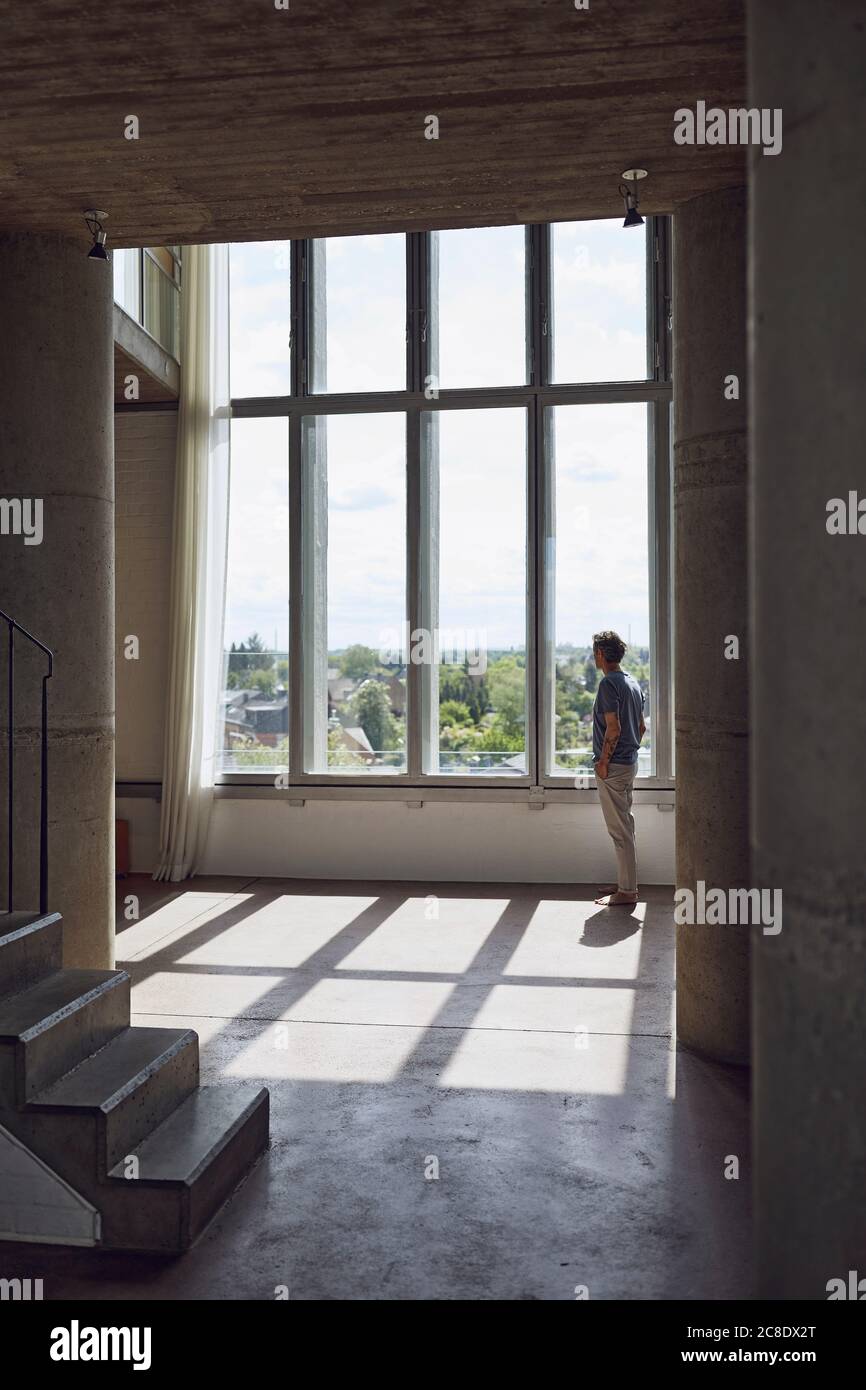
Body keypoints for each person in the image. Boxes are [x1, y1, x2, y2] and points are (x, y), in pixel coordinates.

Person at [590, 630, 645, 907]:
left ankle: (627, 891)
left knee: (619, 830)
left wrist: (603, 761)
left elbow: (614, 728)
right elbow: (641, 727)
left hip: (613, 767)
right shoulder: (632, 683)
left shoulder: (608, 685)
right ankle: (626, 883)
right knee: (626, 827)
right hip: (629, 764)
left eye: (594, 652)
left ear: (600, 653)